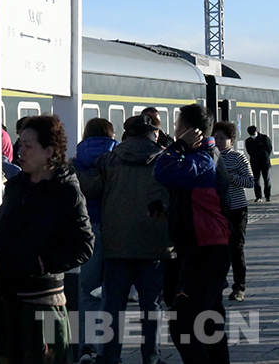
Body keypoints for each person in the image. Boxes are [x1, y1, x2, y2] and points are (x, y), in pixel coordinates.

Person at [0, 115, 94, 364]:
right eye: (20, 144)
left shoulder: (65, 191)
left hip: (42, 302)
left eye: (28, 146)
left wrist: (41, 264)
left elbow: (84, 245)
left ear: (49, 151)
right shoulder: (16, 187)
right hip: (5, 298)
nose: (20, 151)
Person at [80, 115, 173, 364]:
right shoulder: (165, 158)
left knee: (114, 306)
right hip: (153, 245)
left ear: (127, 134)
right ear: (151, 133)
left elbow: (90, 187)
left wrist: (73, 169)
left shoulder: (110, 159)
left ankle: (110, 357)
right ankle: (151, 357)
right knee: (151, 305)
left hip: (117, 245)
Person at [153, 104, 231, 364]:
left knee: (183, 322)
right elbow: (200, 202)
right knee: (209, 323)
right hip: (207, 248)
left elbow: (161, 171)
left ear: (188, 131)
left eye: (177, 126)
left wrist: (178, 147)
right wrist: (171, 213)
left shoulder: (201, 160)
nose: (174, 131)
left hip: (204, 253)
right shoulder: (206, 157)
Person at [72, 117, 118, 362]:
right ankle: (108, 350)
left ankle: (87, 347)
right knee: (113, 294)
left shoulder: (77, 160)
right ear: (111, 134)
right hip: (116, 230)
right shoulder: (119, 157)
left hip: (88, 229)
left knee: (88, 292)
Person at [213, 121, 254, 302]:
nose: (218, 141)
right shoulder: (209, 156)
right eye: (216, 138)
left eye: (222, 138)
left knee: (236, 249)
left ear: (231, 140)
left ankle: (239, 287)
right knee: (218, 249)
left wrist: (231, 178)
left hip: (237, 209)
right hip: (216, 209)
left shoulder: (238, 158)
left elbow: (250, 181)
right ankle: (218, 284)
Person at [245, 125, 272, 201]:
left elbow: (269, 148)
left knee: (266, 179)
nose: (252, 136)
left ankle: (268, 196)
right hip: (255, 163)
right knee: (256, 180)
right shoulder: (248, 141)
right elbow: (249, 151)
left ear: (256, 131)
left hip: (264, 162)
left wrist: (265, 155)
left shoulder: (264, 138)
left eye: (253, 134)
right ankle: (258, 196)